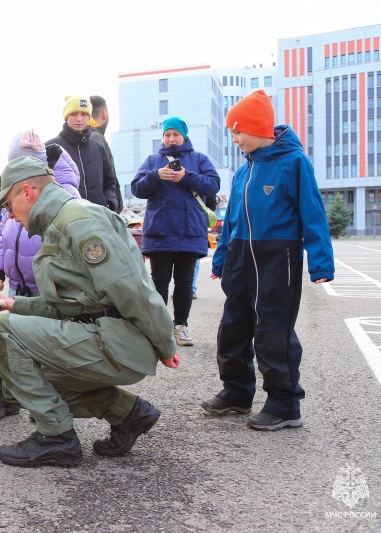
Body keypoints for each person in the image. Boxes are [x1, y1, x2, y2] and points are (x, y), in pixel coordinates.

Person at [0, 156, 180, 468]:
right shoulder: (59, 225)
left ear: (27, 192)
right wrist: (12, 303)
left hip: (117, 340)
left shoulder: (78, 221)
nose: (10, 216)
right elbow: (69, 307)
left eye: (8, 204)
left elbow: (132, 290)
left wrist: (166, 344)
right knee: (39, 381)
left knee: (1, 329)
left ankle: (56, 439)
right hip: (105, 336)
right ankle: (129, 414)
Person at [202, 90, 334, 431]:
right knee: (233, 328)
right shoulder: (244, 171)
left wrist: (320, 262)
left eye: (238, 131)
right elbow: (231, 220)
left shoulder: (293, 162)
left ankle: (285, 403)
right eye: (232, 132)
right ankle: (236, 391)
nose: (234, 139)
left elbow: (313, 214)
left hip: (279, 258)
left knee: (272, 331)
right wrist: (221, 259)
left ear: (259, 127)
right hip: (241, 257)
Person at [0, 130, 81, 419]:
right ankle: (9, 395)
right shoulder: (14, 191)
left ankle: (47, 401)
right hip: (18, 285)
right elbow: (5, 234)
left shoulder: (65, 191)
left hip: (47, 286)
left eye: (27, 162)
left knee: (44, 345)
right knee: (10, 340)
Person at [130, 117, 220, 347]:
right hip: (160, 230)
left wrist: (186, 177)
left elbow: (213, 185)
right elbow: (137, 189)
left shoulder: (199, 159)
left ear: (184, 136)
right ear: (163, 137)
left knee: (185, 281)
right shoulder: (153, 161)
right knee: (159, 280)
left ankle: (181, 326)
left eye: (176, 134)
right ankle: (159, 329)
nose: (171, 139)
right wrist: (155, 176)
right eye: (167, 135)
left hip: (190, 230)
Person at [46, 95, 119, 212]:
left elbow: (110, 182)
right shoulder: (51, 148)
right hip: (64, 220)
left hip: (98, 218)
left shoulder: (98, 149)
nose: (79, 119)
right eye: (74, 114)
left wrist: (110, 202)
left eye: (84, 114)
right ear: (66, 117)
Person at [88, 95, 123, 213]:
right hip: (100, 214)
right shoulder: (95, 138)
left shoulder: (89, 137)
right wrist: (110, 204)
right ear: (104, 113)